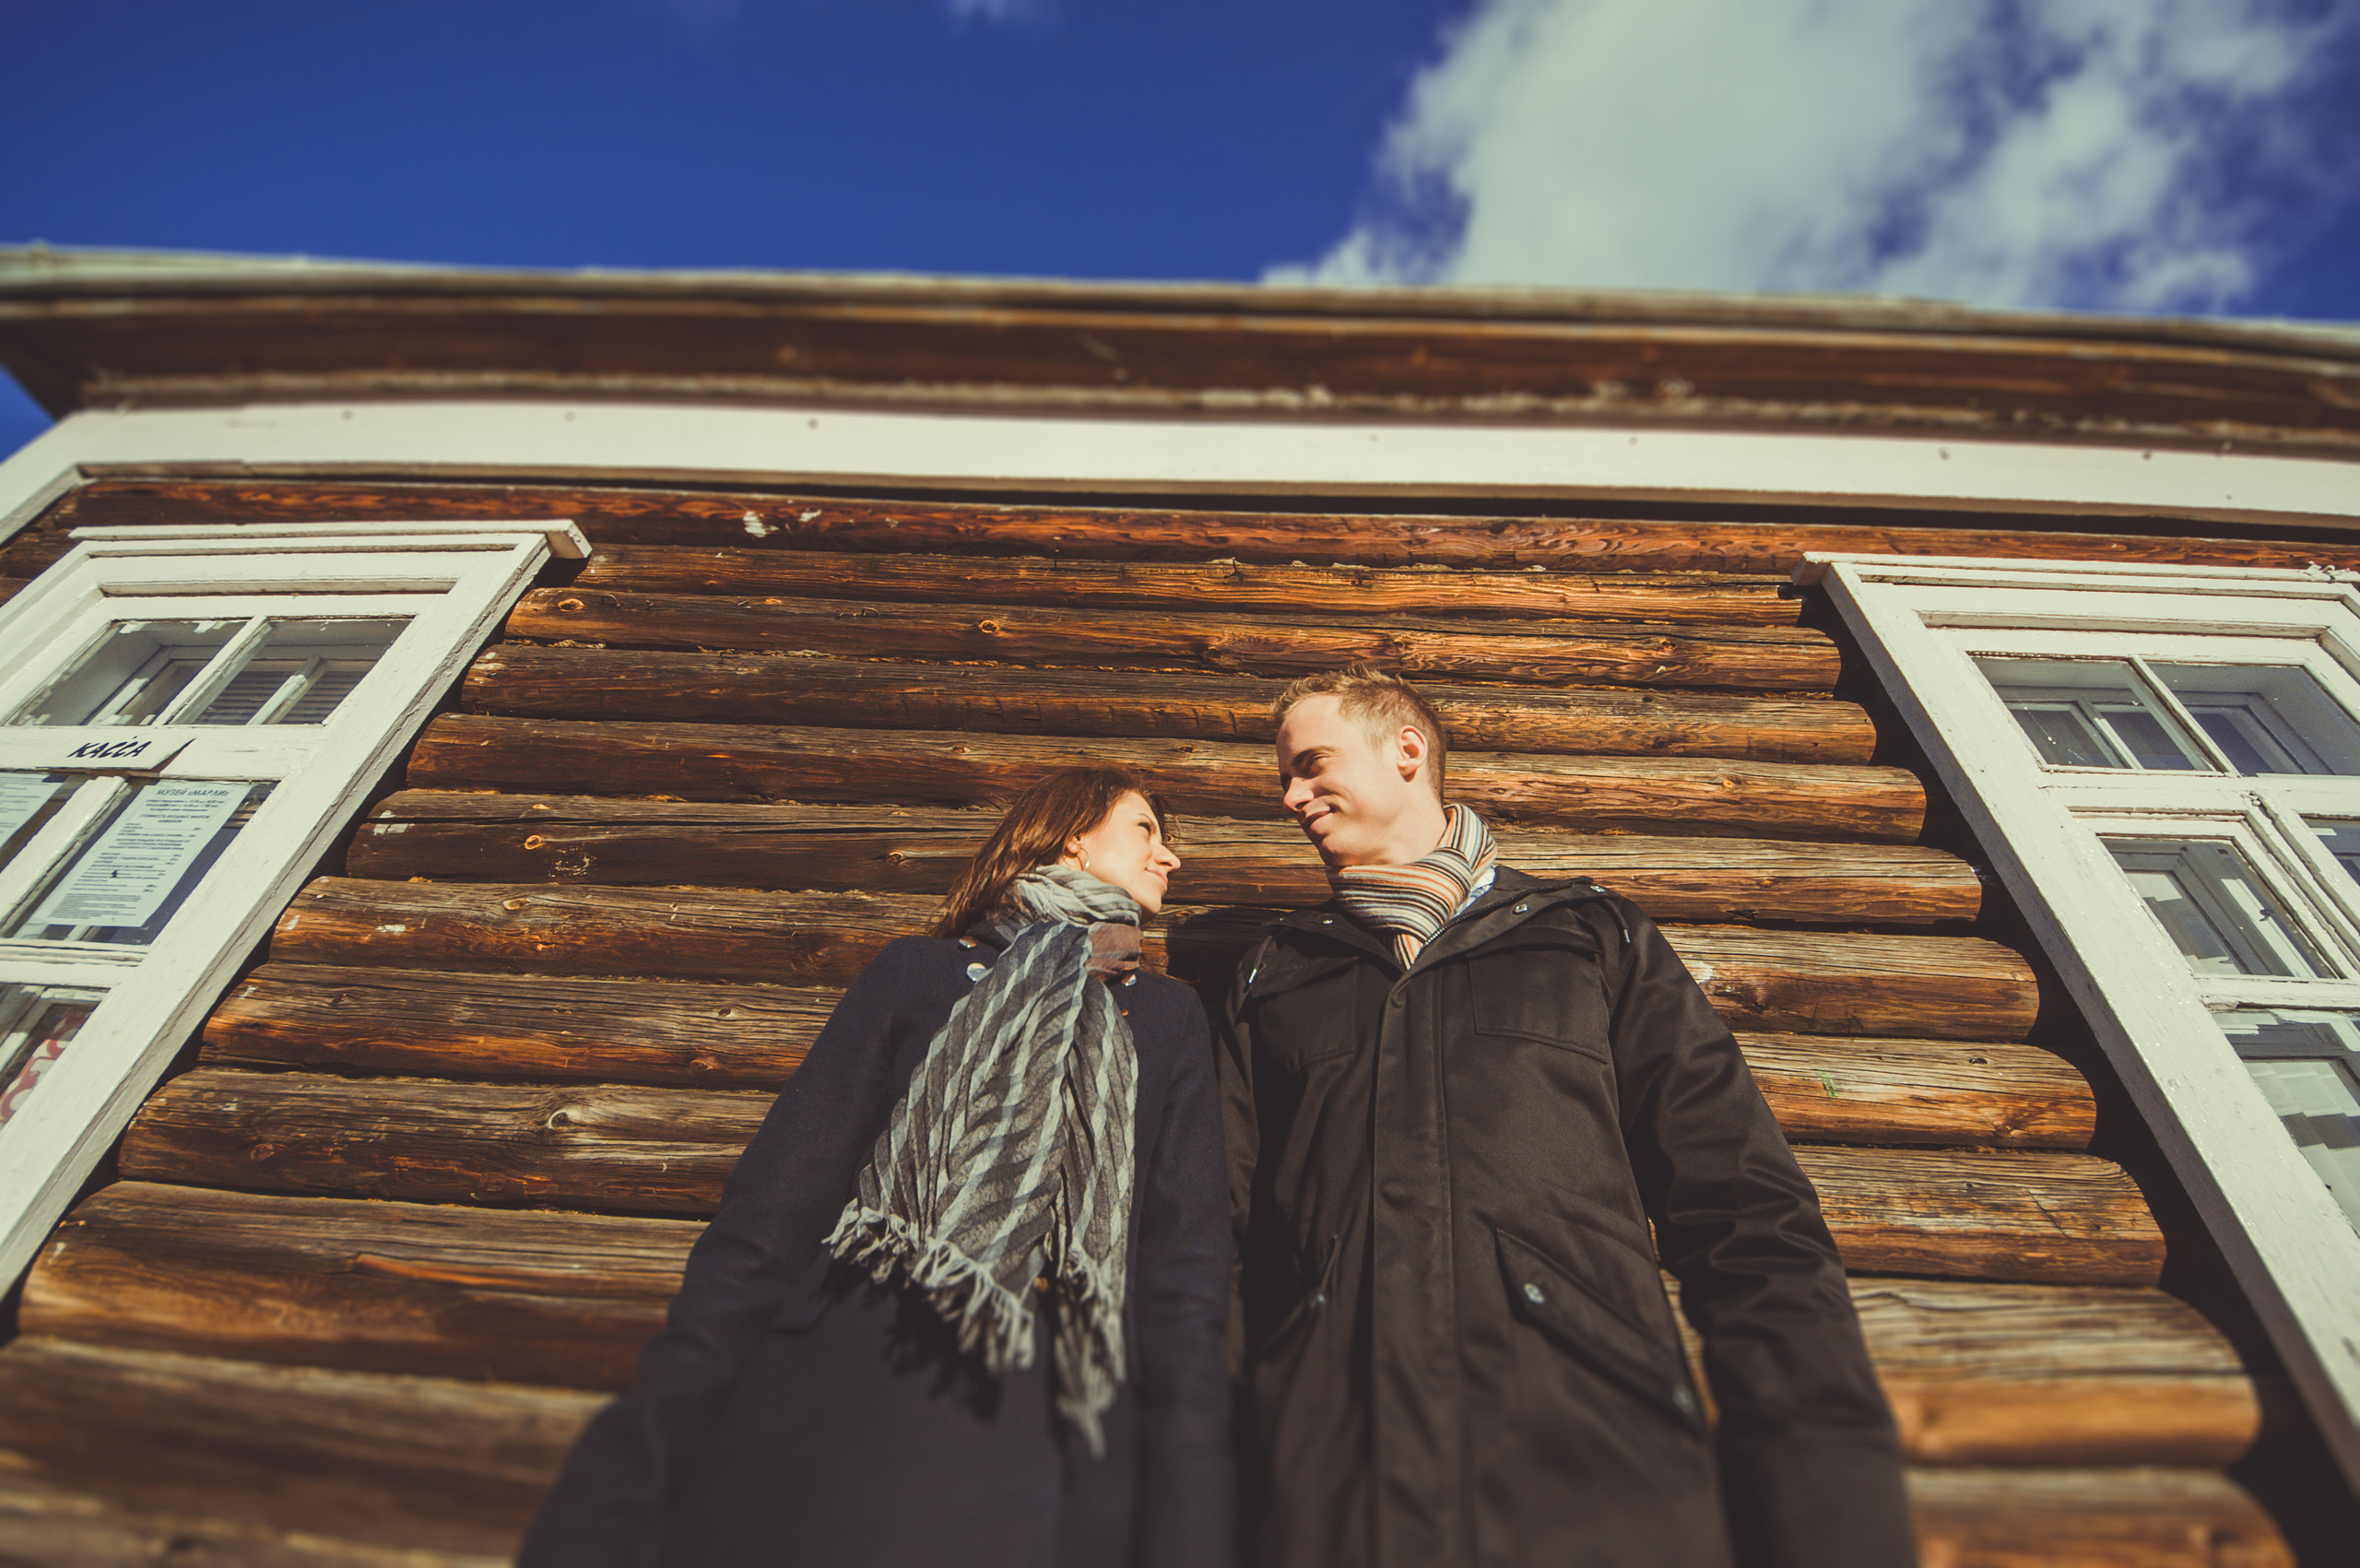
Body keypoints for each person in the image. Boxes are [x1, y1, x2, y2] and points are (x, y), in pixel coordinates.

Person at [1211, 667, 1915, 1568]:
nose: (1291, 795)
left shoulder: (1591, 939)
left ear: (1407, 751)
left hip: (1595, 1481)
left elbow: (1749, 1225)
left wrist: (1837, 1527)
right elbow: (1218, 1244)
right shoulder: (1274, 975)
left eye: (1310, 764)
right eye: (1283, 779)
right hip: (1329, 1497)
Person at [520, 767, 1235, 1568]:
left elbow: (1185, 1280)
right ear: (1073, 836)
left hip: (1057, 1434)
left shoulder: (1166, 1017)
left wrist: (1191, 1531)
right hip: (845, 1402)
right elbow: (770, 1222)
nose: (1169, 857)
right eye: (1146, 830)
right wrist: (632, 1475)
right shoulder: (916, 975)